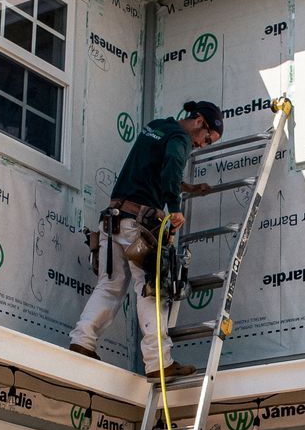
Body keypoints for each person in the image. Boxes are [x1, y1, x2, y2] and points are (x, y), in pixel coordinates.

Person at [70, 100, 222, 378]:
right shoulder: (180, 138)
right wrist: (174, 209)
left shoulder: (157, 127)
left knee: (110, 285)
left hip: (112, 220)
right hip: (136, 225)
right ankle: (158, 362)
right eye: (207, 138)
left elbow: (154, 168)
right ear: (199, 121)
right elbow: (173, 166)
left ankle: (82, 341)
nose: (203, 144)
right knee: (151, 290)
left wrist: (188, 187)